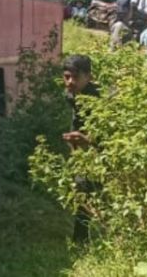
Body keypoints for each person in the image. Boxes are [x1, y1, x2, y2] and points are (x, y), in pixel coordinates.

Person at [62, 54, 100, 243]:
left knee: (92, 193)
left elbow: (113, 136)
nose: (70, 82)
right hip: (83, 155)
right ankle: (81, 240)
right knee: (81, 191)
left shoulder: (100, 99)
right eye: (67, 77)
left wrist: (88, 140)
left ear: (89, 77)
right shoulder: (71, 95)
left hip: (103, 155)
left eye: (75, 77)